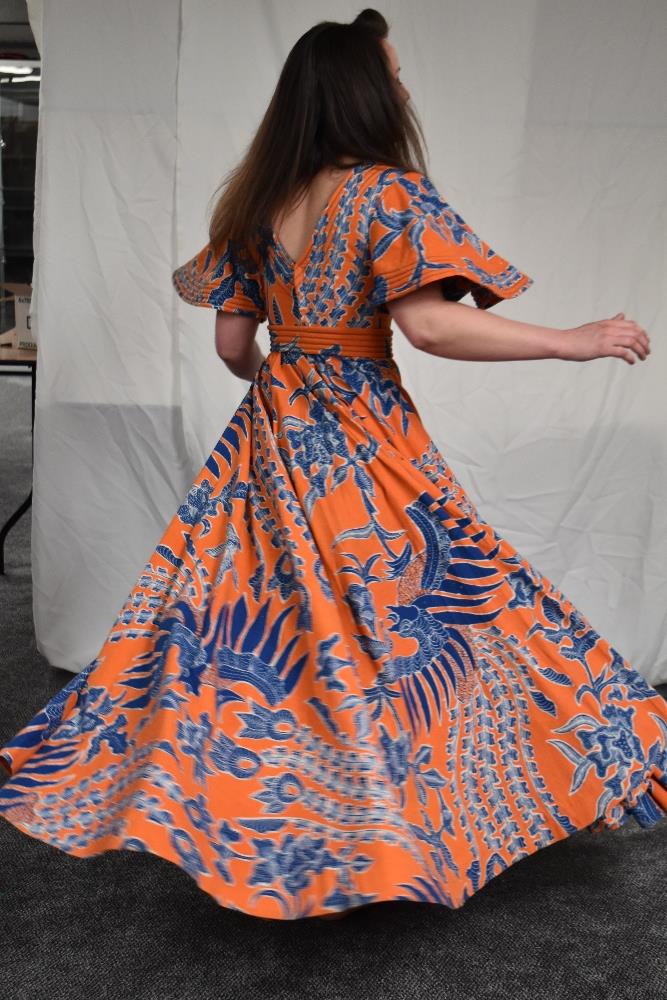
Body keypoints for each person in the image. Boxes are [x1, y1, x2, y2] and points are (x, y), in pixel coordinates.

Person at [0, 8, 665, 924]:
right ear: (359, 90)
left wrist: (290, 350)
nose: (401, 87)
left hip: (273, 431)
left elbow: (236, 345)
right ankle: (446, 804)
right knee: (443, 601)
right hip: (361, 432)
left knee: (259, 623)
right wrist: (570, 341)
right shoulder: (388, 195)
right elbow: (428, 326)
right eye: (389, 73)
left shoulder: (255, 204)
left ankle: (282, 822)